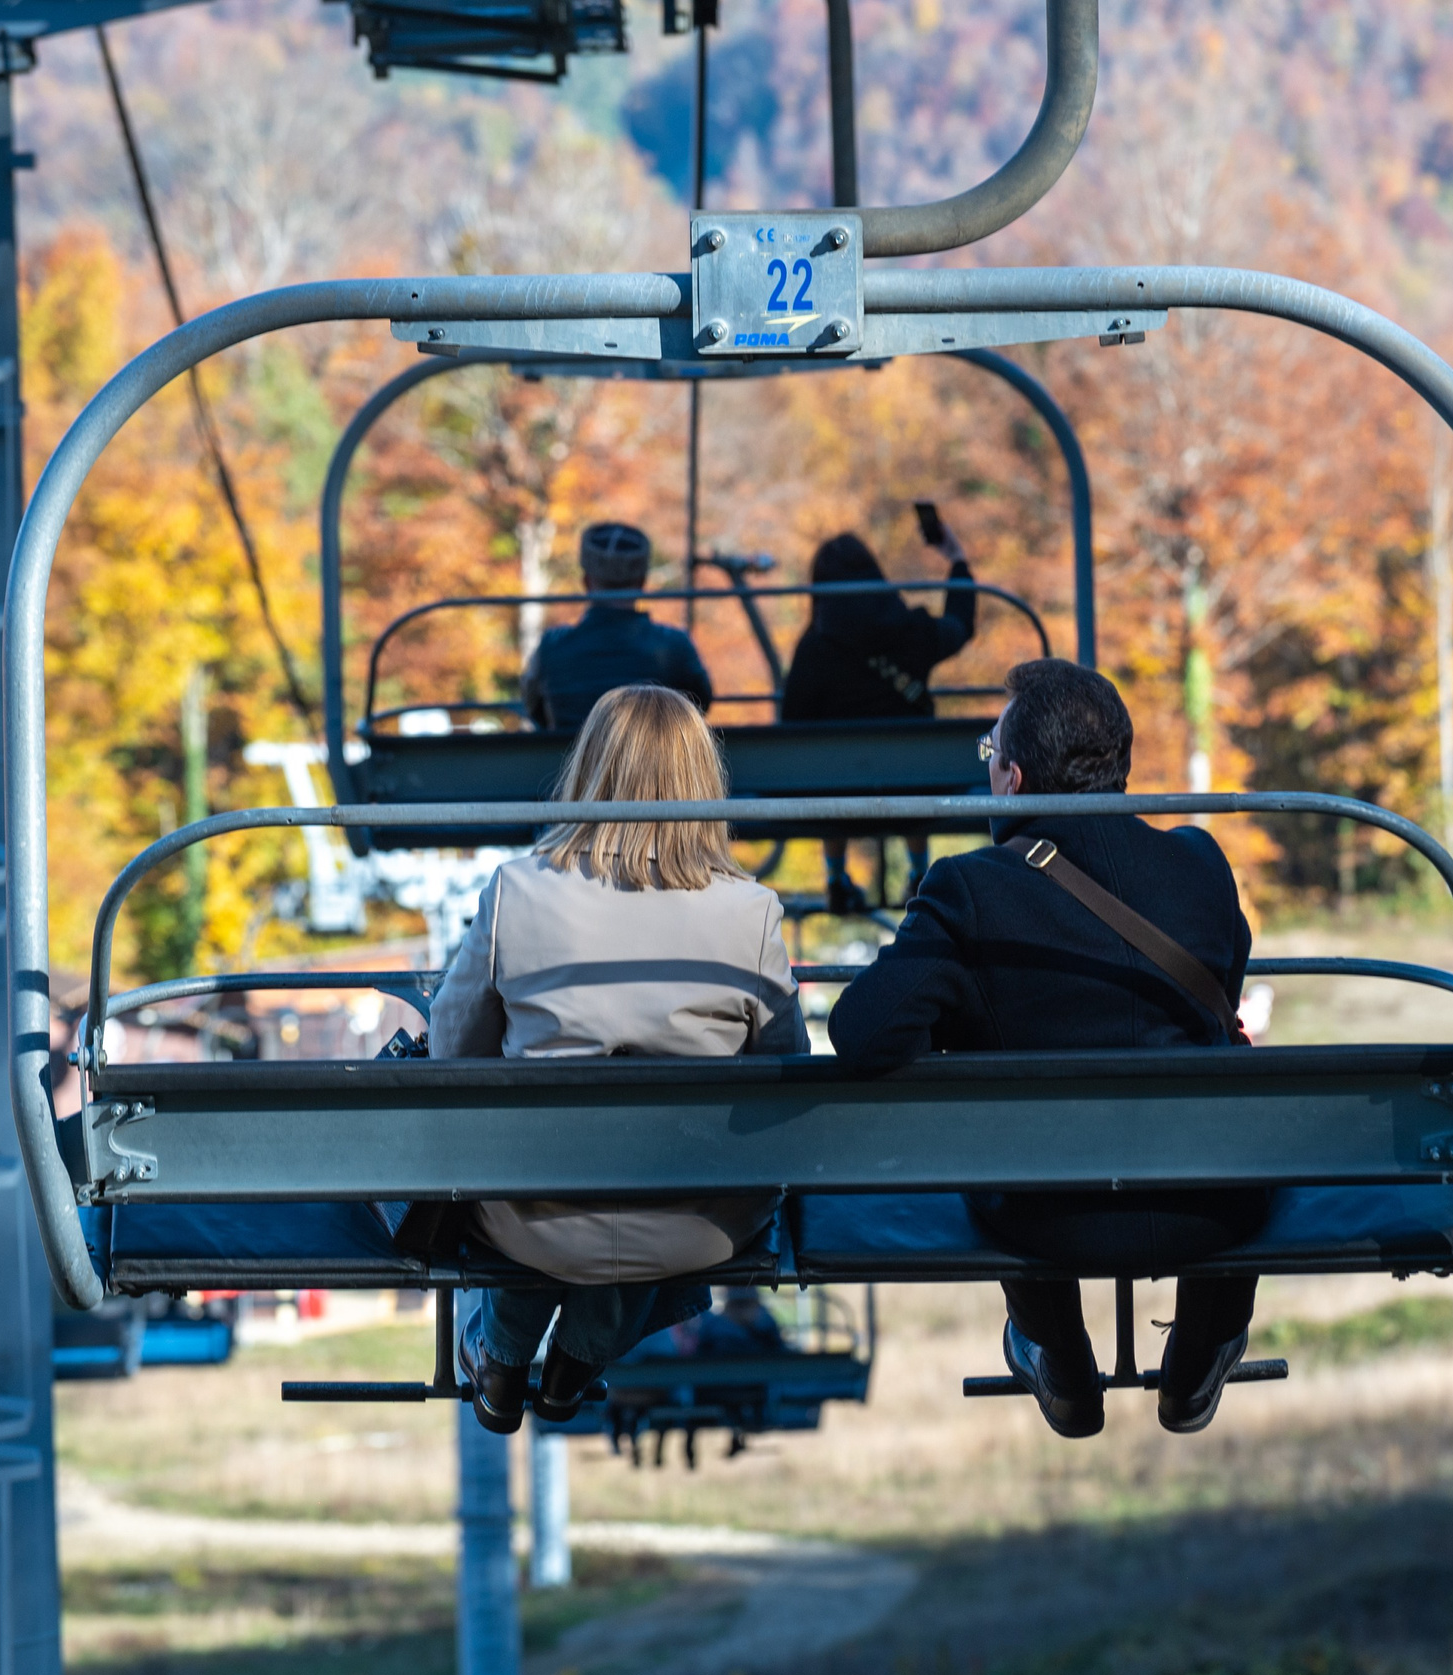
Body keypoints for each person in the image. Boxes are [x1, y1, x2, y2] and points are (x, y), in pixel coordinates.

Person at [826, 658, 1265, 1441]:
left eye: (989, 754)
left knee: (1012, 1148)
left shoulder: (970, 888)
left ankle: (1056, 1352)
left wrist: (960, 1016)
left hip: (1048, 1221)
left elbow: (863, 1035)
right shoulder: (1201, 863)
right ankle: (1206, 1341)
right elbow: (1223, 992)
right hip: (1211, 1208)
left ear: (1013, 778)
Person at [429, 683, 808, 1433]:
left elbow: (451, 1048)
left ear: (590, 769)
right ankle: (579, 1353)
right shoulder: (750, 912)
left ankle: (503, 1352)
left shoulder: (517, 892)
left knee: (554, 1181)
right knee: (656, 1194)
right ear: (703, 781)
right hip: (698, 1221)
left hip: (532, 1215)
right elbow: (785, 1068)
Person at [778, 524, 978, 912]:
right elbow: (960, 627)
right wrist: (957, 561)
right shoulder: (912, 631)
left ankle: (836, 876)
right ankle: (919, 872)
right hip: (917, 789)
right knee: (916, 769)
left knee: (824, 775)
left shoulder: (813, 649)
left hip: (833, 797)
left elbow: (793, 723)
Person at [521, 521, 714, 731]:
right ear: (641, 582)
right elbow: (699, 705)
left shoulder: (551, 647)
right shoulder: (675, 645)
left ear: (586, 581)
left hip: (565, 761)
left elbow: (534, 707)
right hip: (650, 762)